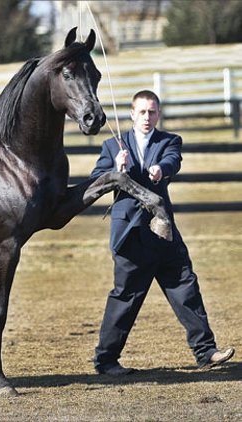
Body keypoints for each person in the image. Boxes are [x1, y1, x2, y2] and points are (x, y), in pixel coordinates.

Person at [90, 89, 234, 375]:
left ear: (159, 114)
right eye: (142, 112)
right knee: (126, 296)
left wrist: (160, 170)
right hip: (129, 235)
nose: (147, 117)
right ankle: (106, 361)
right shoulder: (111, 145)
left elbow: (172, 161)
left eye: (152, 111)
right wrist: (115, 170)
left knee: (185, 286)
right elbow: (96, 181)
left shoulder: (169, 140)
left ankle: (205, 351)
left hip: (162, 229)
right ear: (132, 114)